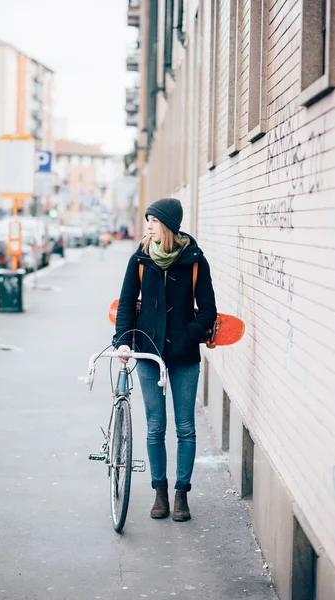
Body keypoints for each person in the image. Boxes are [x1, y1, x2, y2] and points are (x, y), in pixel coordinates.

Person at [113, 197, 217, 522]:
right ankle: (160, 491)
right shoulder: (141, 259)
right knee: (155, 426)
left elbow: (209, 310)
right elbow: (127, 304)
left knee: (185, 426)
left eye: (154, 221)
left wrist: (190, 332)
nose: (148, 226)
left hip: (184, 355)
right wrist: (122, 343)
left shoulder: (195, 260)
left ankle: (181, 494)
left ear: (168, 225)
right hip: (147, 351)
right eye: (148, 221)